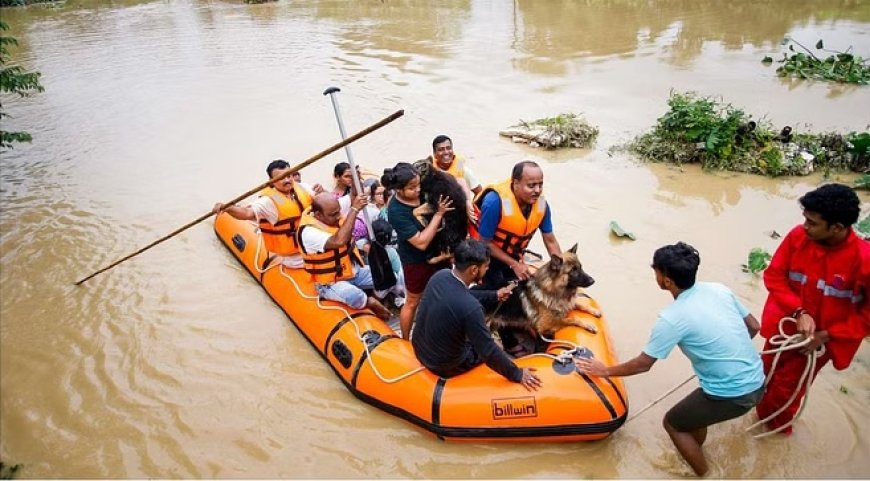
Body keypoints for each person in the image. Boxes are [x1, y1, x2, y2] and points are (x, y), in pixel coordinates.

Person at [576, 242, 764, 476]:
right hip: (758, 381)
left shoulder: (671, 318)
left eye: (656, 270)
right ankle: (696, 448)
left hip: (733, 394)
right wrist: (724, 354)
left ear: (666, 281)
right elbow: (754, 326)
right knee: (692, 416)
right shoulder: (719, 289)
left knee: (673, 423)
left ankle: (705, 474)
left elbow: (644, 364)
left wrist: (604, 370)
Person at [755, 183, 870, 435]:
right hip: (783, 330)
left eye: (812, 222)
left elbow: (867, 317)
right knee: (761, 376)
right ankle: (760, 424)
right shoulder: (798, 237)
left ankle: (775, 435)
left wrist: (826, 335)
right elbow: (774, 276)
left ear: (837, 227)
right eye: (805, 219)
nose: (805, 226)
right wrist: (799, 312)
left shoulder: (864, 260)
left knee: (785, 394)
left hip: (817, 344)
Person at [412, 239, 542, 390]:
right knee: (497, 346)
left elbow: (463, 294)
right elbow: (488, 351)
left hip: (420, 349)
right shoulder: (471, 309)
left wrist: (495, 295)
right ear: (474, 270)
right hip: (444, 365)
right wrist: (518, 374)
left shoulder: (441, 276)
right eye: (486, 266)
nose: (487, 270)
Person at [382, 162, 454, 339]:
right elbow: (421, 242)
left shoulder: (423, 192)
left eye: (419, 184)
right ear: (399, 190)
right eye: (412, 188)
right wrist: (438, 215)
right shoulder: (396, 211)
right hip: (416, 260)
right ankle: (405, 339)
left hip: (439, 254)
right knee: (413, 301)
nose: (418, 190)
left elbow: (454, 182)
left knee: (444, 294)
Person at [296, 192, 392, 320]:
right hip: (330, 282)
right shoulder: (309, 233)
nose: (338, 217)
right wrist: (354, 209)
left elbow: (353, 195)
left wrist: (354, 177)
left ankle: (376, 300)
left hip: (352, 271)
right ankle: (370, 303)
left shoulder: (332, 209)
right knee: (355, 296)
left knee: (389, 277)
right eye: (333, 215)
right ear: (318, 215)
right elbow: (339, 241)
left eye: (338, 212)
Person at [474, 160, 562, 290]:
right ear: (515, 184)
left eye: (540, 185)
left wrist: (562, 268)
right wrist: (514, 265)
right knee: (503, 295)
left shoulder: (542, 205)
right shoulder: (494, 202)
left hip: (514, 255)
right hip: (487, 257)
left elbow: (550, 240)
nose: (537, 190)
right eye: (531, 186)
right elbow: (484, 243)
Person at [212, 159, 315, 268]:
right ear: (271, 180)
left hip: (314, 248)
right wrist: (228, 208)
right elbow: (246, 213)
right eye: (281, 178)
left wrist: (323, 192)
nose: (287, 180)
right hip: (295, 259)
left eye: (289, 176)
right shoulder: (268, 201)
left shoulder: (303, 188)